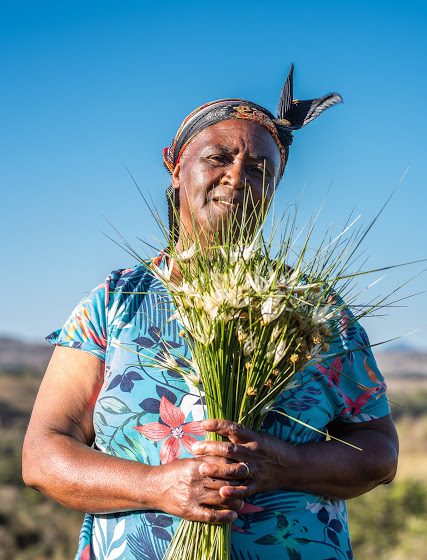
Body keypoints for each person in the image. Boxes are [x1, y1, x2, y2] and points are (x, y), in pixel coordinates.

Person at [22, 65, 398, 560]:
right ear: (175, 166)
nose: (238, 177)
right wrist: (156, 486)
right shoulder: (115, 304)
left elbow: (379, 451)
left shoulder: (318, 311)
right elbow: (43, 455)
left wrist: (285, 466)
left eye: (262, 168)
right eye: (218, 157)